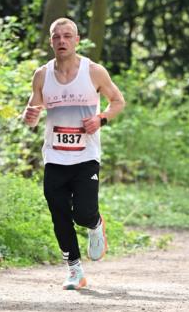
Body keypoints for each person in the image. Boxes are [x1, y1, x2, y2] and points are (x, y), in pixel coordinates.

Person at [22, 18, 125, 289]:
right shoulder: (42, 75)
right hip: (55, 157)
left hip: (85, 156)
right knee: (59, 215)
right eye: (57, 37)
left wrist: (101, 118)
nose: (62, 41)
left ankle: (95, 224)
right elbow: (33, 112)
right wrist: (29, 116)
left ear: (76, 40)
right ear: (51, 41)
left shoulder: (94, 72)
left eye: (67, 36)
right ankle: (75, 271)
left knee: (83, 213)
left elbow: (118, 101)